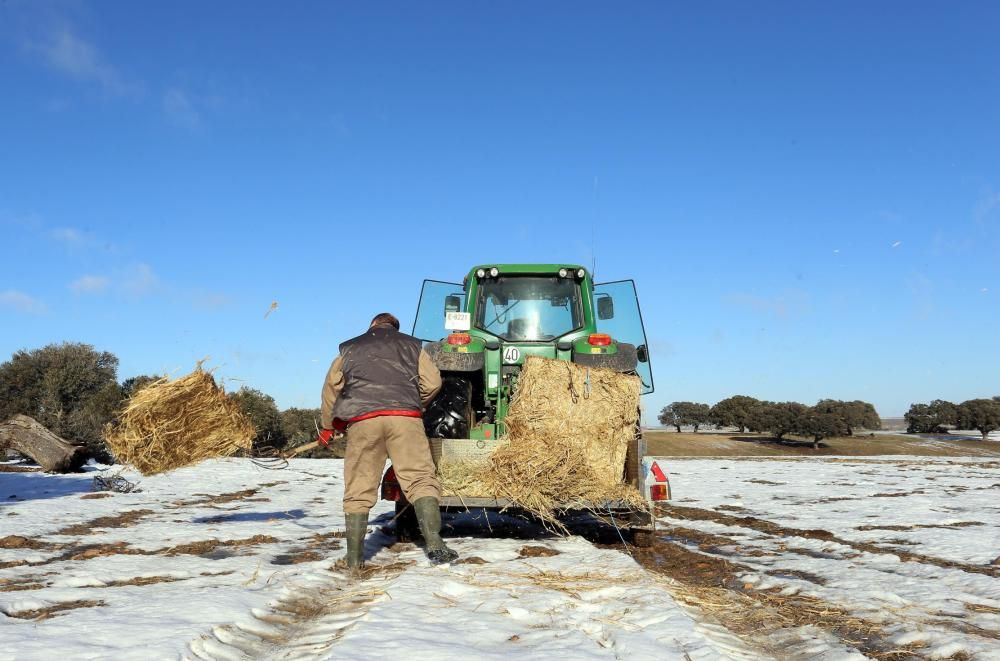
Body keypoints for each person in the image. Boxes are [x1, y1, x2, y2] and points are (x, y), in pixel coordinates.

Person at [319, 312, 459, 569]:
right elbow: (433, 382)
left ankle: (353, 558)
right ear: (396, 328)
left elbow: (332, 387)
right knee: (420, 479)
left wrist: (330, 425)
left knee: (359, 486)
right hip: (405, 420)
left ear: (372, 325)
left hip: (363, 422)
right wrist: (415, 404)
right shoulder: (413, 345)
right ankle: (436, 546)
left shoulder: (349, 348)